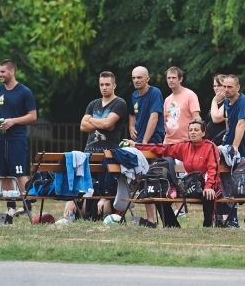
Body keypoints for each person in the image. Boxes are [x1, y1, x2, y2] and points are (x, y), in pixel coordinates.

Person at [126, 119, 221, 227]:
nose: (192, 132)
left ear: (203, 133)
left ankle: (208, 226)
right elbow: (163, 149)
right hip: (191, 185)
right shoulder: (185, 147)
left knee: (208, 195)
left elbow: (213, 169)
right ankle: (172, 225)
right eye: (190, 130)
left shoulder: (210, 147)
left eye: (196, 130)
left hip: (211, 185)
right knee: (160, 193)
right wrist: (137, 145)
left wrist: (209, 186)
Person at [63, 71, 128, 221]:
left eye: (107, 84)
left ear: (114, 85)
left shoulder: (119, 103)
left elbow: (107, 123)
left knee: (103, 188)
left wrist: (93, 121)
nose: (104, 87)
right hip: (88, 154)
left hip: (108, 154)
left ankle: (103, 212)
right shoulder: (93, 104)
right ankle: (79, 212)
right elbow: (82, 126)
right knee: (86, 188)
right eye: (101, 84)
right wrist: (101, 122)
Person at [0, 59, 37, 224]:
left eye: (3, 71)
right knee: (4, 174)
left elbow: (33, 115)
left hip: (17, 139)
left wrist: (13, 121)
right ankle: (10, 208)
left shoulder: (24, 92)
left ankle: (27, 205)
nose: (0, 74)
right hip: (0, 139)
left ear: (12, 71)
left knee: (19, 173)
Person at [212, 74, 245, 227]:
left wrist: (234, 146)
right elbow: (229, 122)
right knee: (221, 182)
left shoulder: (243, 101)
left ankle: (233, 219)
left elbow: (241, 124)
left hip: (238, 149)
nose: (226, 90)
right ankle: (221, 217)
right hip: (226, 145)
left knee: (232, 184)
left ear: (237, 87)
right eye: (225, 87)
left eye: (230, 87)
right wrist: (226, 138)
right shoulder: (227, 103)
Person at [129, 65, 165, 223]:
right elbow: (132, 113)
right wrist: (131, 125)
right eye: (134, 78)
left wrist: (144, 142)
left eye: (139, 77)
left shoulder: (155, 93)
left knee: (151, 178)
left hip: (152, 141)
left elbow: (154, 117)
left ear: (147, 78)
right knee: (141, 178)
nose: (136, 80)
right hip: (139, 143)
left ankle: (158, 218)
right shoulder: (133, 95)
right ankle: (150, 218)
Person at [163, 67, 201, 144]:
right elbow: (164, 120)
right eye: (168, 78)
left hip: (185, 142)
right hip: (168, 142)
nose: (171, 80)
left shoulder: (190, 95)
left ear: (180, 79)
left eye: (174, 78)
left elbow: (197, 118)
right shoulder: (167, 99)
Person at [206, 74, 227, 145]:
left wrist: (214, 101)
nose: (216, 88)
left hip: (220, 142)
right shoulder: (218, 102)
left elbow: (216, 118)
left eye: (219, 85)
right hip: (211, 142)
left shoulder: (229, 102)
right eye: (214, 86)